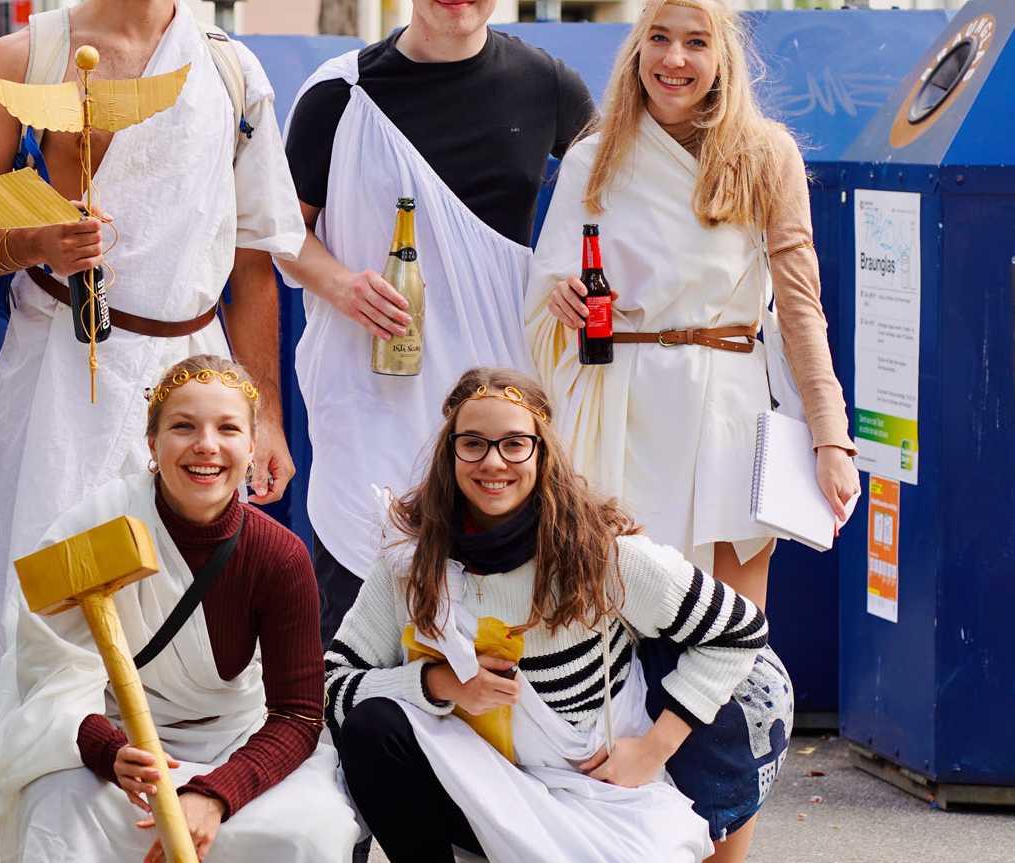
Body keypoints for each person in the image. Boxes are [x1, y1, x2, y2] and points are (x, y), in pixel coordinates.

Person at [0, 0, 307, 792]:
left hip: (186, 372)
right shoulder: (24, 59)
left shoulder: (231, 72)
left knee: (177, 601)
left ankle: (178, 803)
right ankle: (33, 804)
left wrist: (263, 409)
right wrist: (38, 240)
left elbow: (250, 261)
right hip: (59, 367)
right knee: (46, 597)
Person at [279, 0, 595, 643]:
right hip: (370, 394)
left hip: (500, 397)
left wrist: (574, 282)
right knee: (357, 622)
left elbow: (613, 199)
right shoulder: (340, 93)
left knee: (496, 621)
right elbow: (278, 235)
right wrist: (343, 285)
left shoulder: (547, 85)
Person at [327, 369, 787, 863]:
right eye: (474, 444)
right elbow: (335, 682)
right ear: (450, 452)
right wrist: (440, 684)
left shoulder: (601, 556)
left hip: (595, 794)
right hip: (477, 784)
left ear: (542, 452)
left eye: (514, 444)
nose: (493, 462)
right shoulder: (411, 565)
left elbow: (740, 630)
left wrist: (656, 748)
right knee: (372, 727)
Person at [524, 0, 859, 611]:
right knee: (611, 621)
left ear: (723, 56)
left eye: (696, 42)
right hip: (619, 413)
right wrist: (560, 296)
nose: (674, 58)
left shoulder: (765, 155)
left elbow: (798, 308)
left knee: (731, 633)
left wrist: (830, 437)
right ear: (636, 48)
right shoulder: (594, 158)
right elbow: (547, 284)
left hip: (727, 409)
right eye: (659, 37)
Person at [0, 355, 360, 862]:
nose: (206, 444)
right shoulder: (93, 530)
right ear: (153, 444)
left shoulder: (280, 555)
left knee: (313, 830)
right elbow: (48, 679)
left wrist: (214, 795)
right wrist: (109, 752)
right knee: (57, 808)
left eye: (227, 428)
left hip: (236, 742)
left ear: (250, 447)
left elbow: (298, 716)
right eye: (183, 426)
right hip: (120, 744)